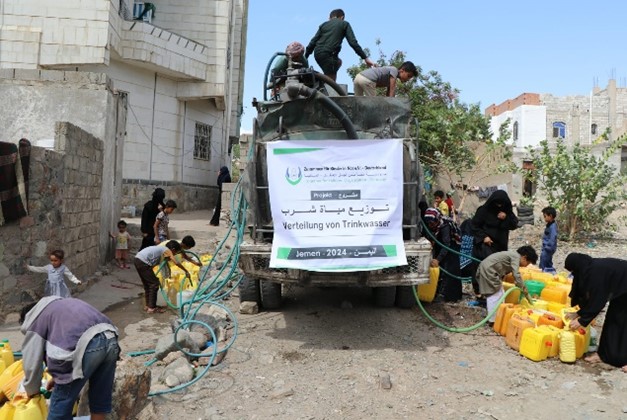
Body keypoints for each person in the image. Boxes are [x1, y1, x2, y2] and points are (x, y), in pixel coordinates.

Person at [19, 296, 120, 419]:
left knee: (60, 408)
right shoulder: (60, 305)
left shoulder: (35, 320)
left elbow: (31, 362)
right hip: (110, 337)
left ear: (27, 318)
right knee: (99, 399)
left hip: (86, 345)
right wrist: (56, 378)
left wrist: (32, 391)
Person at [564, 253, 627, 372]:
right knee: (613, 320)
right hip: (622, 291)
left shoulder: (595, 273)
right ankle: (605, 356)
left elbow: (598, 300)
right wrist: (579, 313)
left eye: (573, 271)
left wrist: (582, 321)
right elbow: (591, 297)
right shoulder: (588, 269)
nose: (574, 275)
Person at [470, 190, 518, 295]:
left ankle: (494, 292)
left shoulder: (507, 213)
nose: (499, 206)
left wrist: (506, 218)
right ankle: (480, 292)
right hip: (485, 246)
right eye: (497, 204)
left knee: (498, 269)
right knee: (485, 267)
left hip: (500, 246)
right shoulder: (483, 211)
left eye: (501, 204)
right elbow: (474, 226)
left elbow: (514, 225)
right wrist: (484, 237)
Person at [305, 9, 375, 81]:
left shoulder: (323, 25)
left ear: (329, 18)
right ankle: (326, 81)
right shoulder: (344, 24)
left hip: (318, 54)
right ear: (342, 17)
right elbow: (353, 43)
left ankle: (322, 80)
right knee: (331, 83)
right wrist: (365, 58)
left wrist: (305, 57)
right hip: (329, 55)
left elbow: (312, 42)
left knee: (338, 62)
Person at [476, 246, 537, 324]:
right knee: (494, 295)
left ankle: (499, 316)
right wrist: (526, 293)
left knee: (501, 294)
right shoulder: (516, 257)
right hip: (489, 271)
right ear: (524, 258)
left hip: (489, 269)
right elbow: (516, 274)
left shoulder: (513, 255)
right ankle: (492, 320)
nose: (526, 266)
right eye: (528, 263)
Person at [134, 240, 191, 313]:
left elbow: (154, 262)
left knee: (148, 285)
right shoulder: (167, 250)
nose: (174, 254)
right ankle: (152, 308)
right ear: (173, 249)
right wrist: (186, 271)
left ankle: (148, 306)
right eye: (175, 253)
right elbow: (176, 262)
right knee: (154, 284)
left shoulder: (162, 249)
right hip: (143, 262)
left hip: (138, 260)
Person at [423, 208, 462, 302]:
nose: (430, 225)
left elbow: (446, 245)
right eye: (429, 224)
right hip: (441, 243)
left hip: (452, 246)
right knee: (438, 269)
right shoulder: (431, 224)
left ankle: (448, 296)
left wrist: (438, 259)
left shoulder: (445, 226)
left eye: (432, 223)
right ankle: (436, 292)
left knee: (450, 269)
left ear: (437, 219)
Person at [539, 206, 557, 272]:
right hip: (547, 248)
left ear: (550, 216)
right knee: (548, 263)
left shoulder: (553, 226)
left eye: (545, 216)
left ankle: (542, 275)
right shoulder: (549, 224)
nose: (544, 218)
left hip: (548, 248)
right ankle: (552, 274)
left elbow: (553, 238)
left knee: (543, 264)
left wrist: (547, 247)